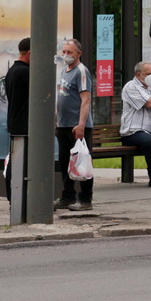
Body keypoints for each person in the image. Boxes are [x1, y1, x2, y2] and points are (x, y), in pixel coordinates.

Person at [55, 38, 94, 211]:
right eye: (64, 52)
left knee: (82, 160)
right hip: (63, 125)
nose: (66, 55)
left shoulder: (81, 71)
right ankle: (67, 196)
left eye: (69, 52)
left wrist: (81, 125)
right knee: (65, 162)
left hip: (76, 125)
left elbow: (85, 100)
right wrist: (56, 121)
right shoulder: (64, 71)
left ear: (78, 53)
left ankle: (85, 199)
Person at [4, 37, 31, 202]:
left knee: (16, 163)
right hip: (25, 125)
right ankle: (20, 199)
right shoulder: (25, 72)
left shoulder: (12, 70)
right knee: (23, 164)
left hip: (15, 123)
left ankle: (14, 198)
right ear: (30, 53)